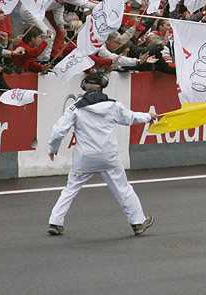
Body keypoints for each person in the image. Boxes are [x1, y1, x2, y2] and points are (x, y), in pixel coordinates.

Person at [47, 72, 162, 237]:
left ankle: (55, 222)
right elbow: (131, 118)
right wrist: (148, 116)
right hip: (109, 156)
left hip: (84, 157)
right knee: (123, 189)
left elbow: (58, 131)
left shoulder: (76, 107)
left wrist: (53, 148)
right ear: (103, 86)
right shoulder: (113, 106)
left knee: (70, 189)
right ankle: (138, 222)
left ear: (84, 87)